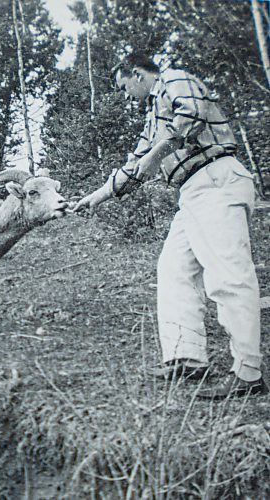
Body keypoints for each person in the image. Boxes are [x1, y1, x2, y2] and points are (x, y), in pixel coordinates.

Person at [74, 52, 267, 400]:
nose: (124, 96)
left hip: (216, 178)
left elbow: (191, 117)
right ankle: (187, 356)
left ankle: (248, 374)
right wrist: (94, 198)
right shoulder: (152, 119)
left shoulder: (173, 79)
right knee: (174, 269)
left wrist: (154, 155)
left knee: (229, 277)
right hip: (192, 193)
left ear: (137, 74)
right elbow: (134, 168)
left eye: (123, 87)